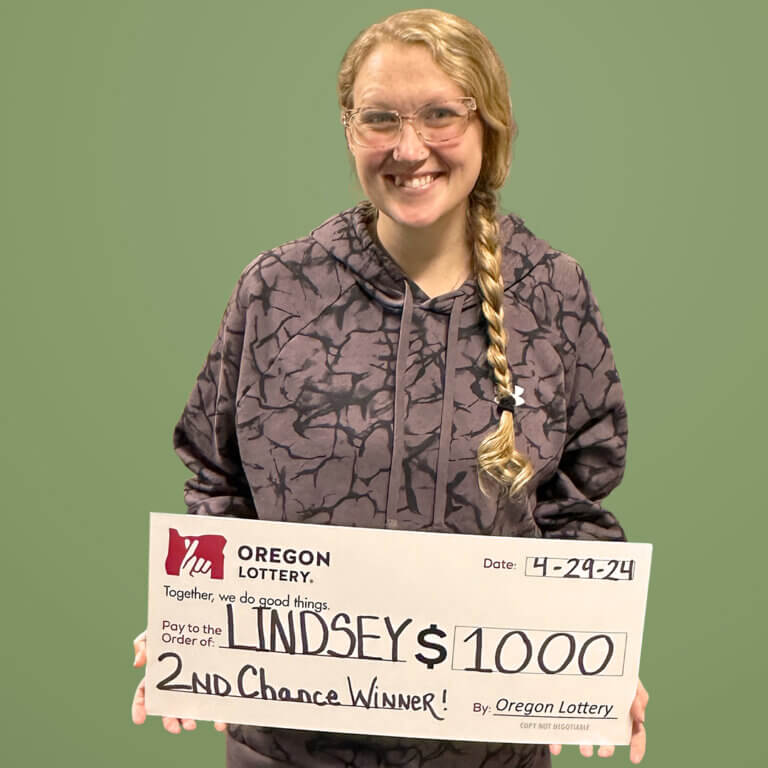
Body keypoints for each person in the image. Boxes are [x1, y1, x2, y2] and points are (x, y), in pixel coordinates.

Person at [132, 8, 648, 766]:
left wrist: (598, 654)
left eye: (441, 114)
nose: (409, 148)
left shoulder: (554, 293)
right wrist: (193, 625)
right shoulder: (277, 290)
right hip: (289, 749)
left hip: (488, 753)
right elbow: (218, 480)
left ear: (489, 127)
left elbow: (573, 506)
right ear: (350, 130)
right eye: (381, 118)